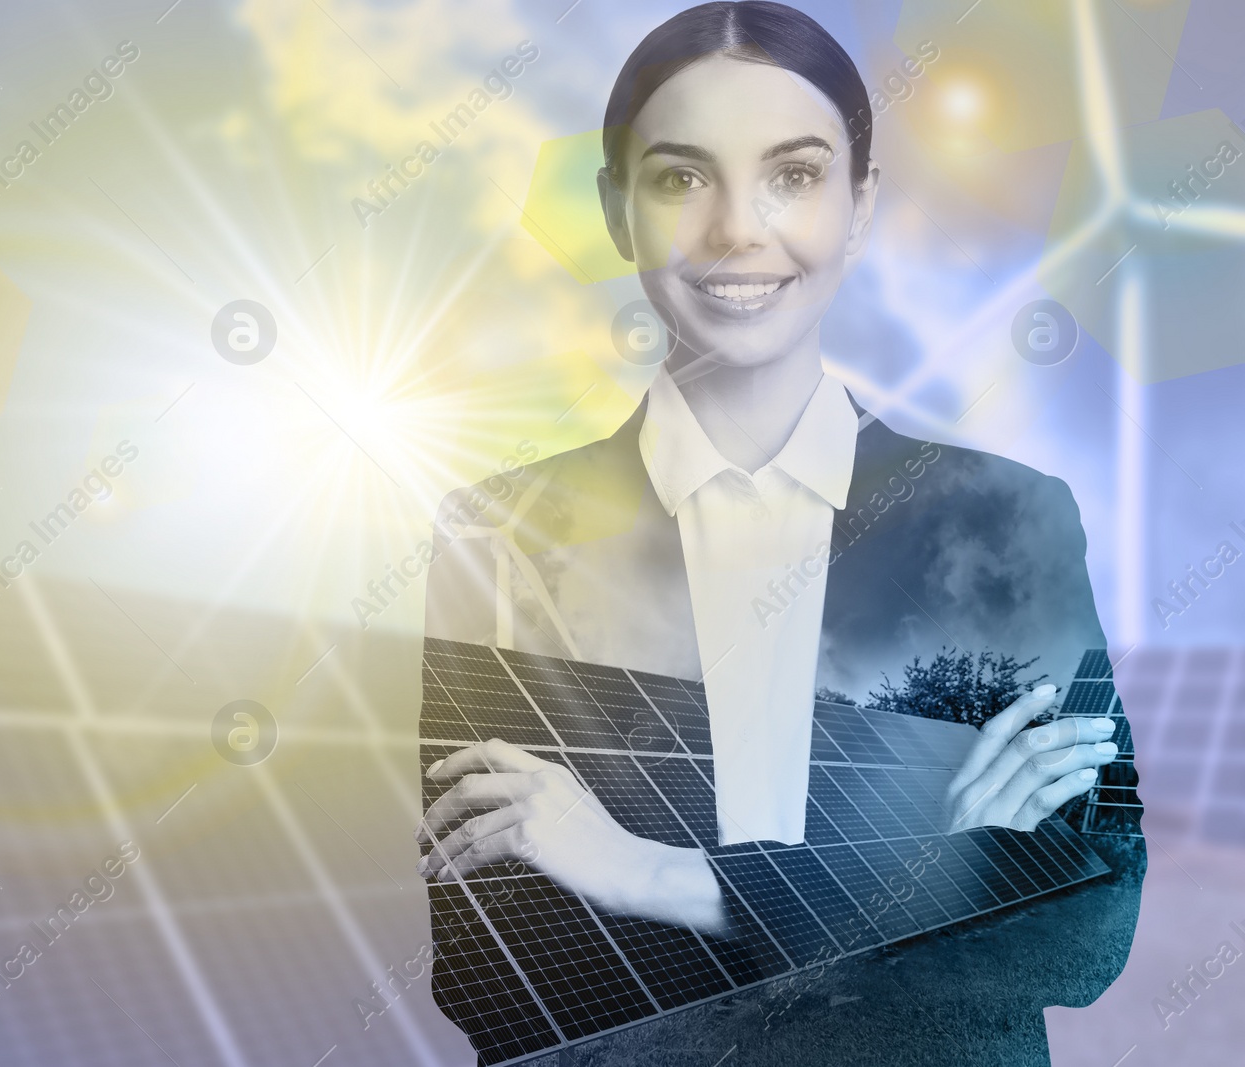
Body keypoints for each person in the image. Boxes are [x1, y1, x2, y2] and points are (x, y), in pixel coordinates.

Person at [414, 2, 1143, 1062]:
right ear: (616, 209)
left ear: (859, 205)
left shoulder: (1008, 517)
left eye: (793, 175)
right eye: (679, 178)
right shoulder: (499, 537)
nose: (736, 229)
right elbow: (494, 978)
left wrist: (645, 871)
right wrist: (939, 862)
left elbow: (1084, 931)